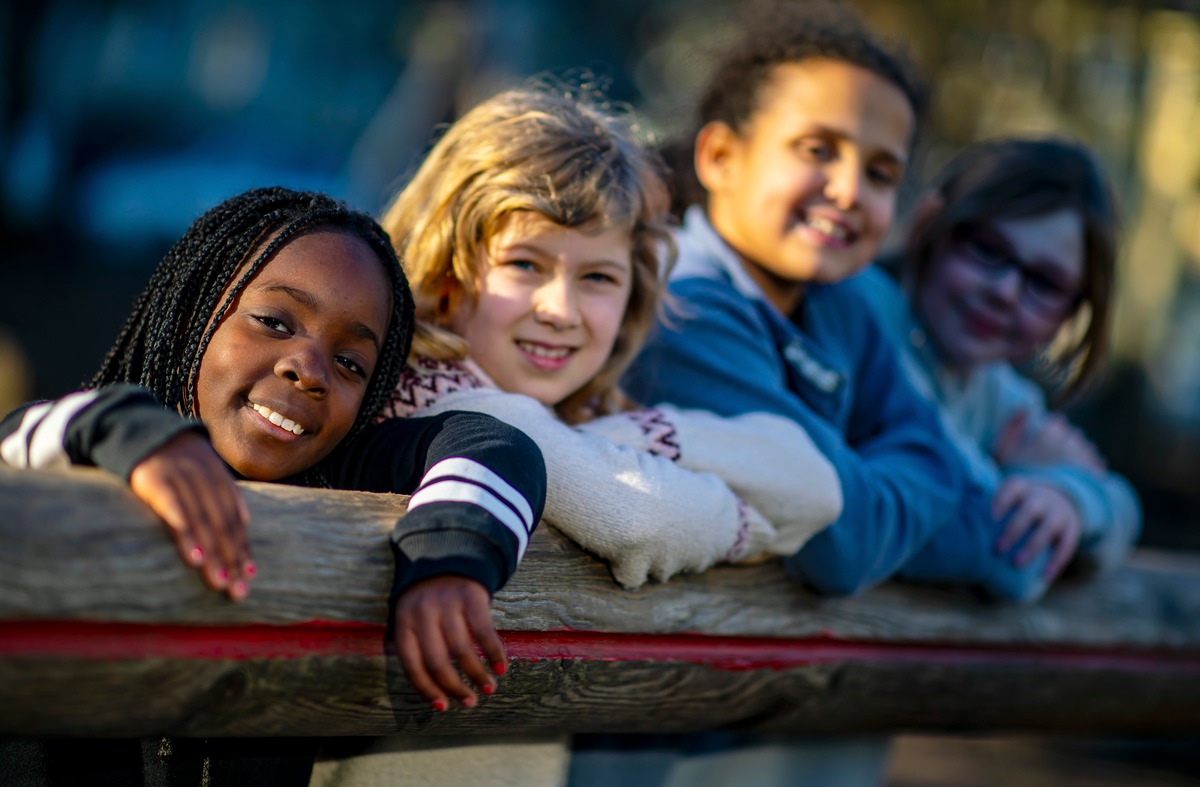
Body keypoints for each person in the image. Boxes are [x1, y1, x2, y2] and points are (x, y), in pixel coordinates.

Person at [309, 84, 844, 787]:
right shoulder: (443, 404)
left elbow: (815, 483)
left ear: (630, 303)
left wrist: (622, 440)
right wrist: (733, 514)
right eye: (526, 264)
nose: (560, 309)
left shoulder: (582, 428)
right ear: (445, 274)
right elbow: (638, 515)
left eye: (597, 276)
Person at [611, 2, 1056, 784]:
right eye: (818, 149)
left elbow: (990, 537)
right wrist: (907, 476)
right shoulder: (685, 308)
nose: (849, 189)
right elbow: (842, 537)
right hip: (673, 751)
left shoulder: (845, 307)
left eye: (881, 171)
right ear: (720, 156)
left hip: (798, 739)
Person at [0, 186, 547, 784]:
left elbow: (495, 445)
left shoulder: (335, 475)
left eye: (350, 364)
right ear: (190, 313)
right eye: (274, 322)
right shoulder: (88, 448)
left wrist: (450, 563)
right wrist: (133, 432)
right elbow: (19, 439)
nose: (309, 369)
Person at [859, 136, 1140, 582]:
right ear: (930, 224)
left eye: (1045, 284)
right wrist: (1014, 480)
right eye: (988, 250)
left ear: (1070, 313)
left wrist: (1070, 499)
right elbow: (1006, 558)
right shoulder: (857, 322)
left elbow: (1123, 509)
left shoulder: (993, 387)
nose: (1005, 292)